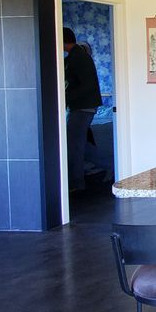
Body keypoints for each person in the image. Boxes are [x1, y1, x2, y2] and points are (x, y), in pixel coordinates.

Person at [63, 26, 103, 193]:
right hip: (83, 106)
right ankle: (78, 179)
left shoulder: (78, 58)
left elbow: (87, 85)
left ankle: (77, 183)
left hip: (83, 107)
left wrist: (65, 97)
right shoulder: (75, 57)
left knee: (74, 145)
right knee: (76, 143)